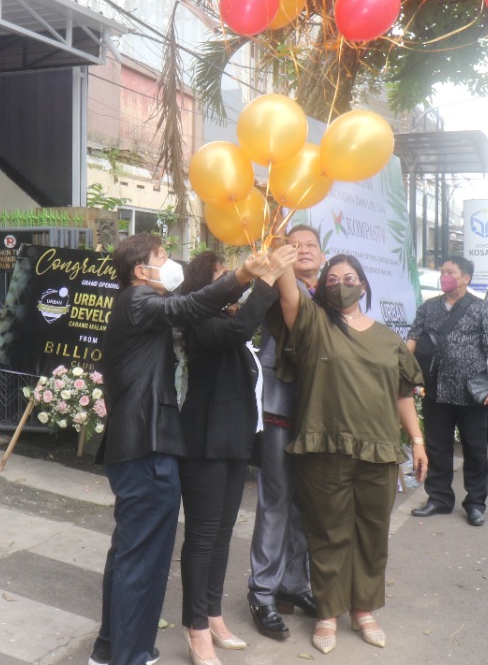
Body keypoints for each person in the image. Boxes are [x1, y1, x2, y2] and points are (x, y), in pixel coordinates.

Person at [88, 234, 276, 665]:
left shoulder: (136, 308)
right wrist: (245, 275)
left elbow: (191, 310)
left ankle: (111, 648)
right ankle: (131, 656)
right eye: (162, 257)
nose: (171, 264)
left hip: (138, 444)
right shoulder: (137, 301)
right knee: (144, 560)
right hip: (146, 444)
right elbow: (188, 307)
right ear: (141, 270)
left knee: (129, 553)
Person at [277, 253, 427, 655]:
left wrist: (417, 440)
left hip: (378, 448)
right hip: (323, 446)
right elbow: (289, 293)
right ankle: (327, 612)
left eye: (350, 277)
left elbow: (402, 393)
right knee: (328, 532)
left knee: (372, 533)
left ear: (363, 284)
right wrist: (289, 254)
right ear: (322, 287)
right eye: (332, 279)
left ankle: (363, 610)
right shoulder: (312, 323)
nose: (341, 283)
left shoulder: (388, 338)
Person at [177, 250, 291, 665]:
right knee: (203, 538)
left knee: (223, 536)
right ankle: (196, 628)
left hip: (234, 443)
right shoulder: (201, 323)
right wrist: (264, 280)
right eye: (224, 277)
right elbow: (246, 321)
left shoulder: (228, 323)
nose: (234, 283)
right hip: (205, 445)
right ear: (203, 286)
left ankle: (212, 614)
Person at [246, 224, 324, 640]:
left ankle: (294, 584)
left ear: (324, 256)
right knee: (275, 504)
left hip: (318, 417)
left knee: (303, 507)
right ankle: (261, 592)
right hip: (280, 410)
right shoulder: (281, 289)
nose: (303, 250)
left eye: (311, 245)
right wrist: (279, 249)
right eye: (294, 246)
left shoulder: (333, 294)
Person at [406, 255, 488, 527]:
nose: (444, 277)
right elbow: (412, 340)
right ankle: (439, 499)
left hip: (471, 394)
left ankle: (475, 503)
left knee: (475, 450)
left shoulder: (483, 310)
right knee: (438, 448)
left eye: (450, 272)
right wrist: (401, 370)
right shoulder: (428, 308)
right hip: (435, 389)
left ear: (466, 279)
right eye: (442, 272)